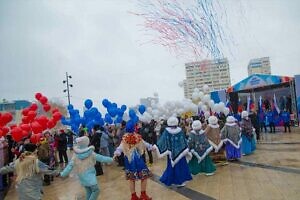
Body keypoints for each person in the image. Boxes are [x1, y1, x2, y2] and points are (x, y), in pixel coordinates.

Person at [60, 136, 113, 200]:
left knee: (89, 191)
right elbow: (101, 158)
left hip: (82, 176)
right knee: (96, 190)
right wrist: (111, 159)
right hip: (90, 176)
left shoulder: (75, 155)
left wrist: (63, 174)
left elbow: (70, 166)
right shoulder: (91, 153)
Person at [114, 120, 152, 200]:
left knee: (131, 178)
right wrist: (151, 147)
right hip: (138, 159)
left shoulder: (125, 138)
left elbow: (120, 147)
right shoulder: (137, 136)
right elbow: (144, 143)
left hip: (129, 160)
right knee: (144, 176)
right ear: (134, 128)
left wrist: (117, 151)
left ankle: (133, 196)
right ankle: (143, 195)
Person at [154, 116, 192, 187]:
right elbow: (183, 141)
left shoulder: (166, 131)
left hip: (170, 153)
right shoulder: (180, 130)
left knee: (171, 166)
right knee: (181, 166)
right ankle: (181, 181)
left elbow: (162, 140)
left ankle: (171, 180)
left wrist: (156, 146)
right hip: (181, 152)